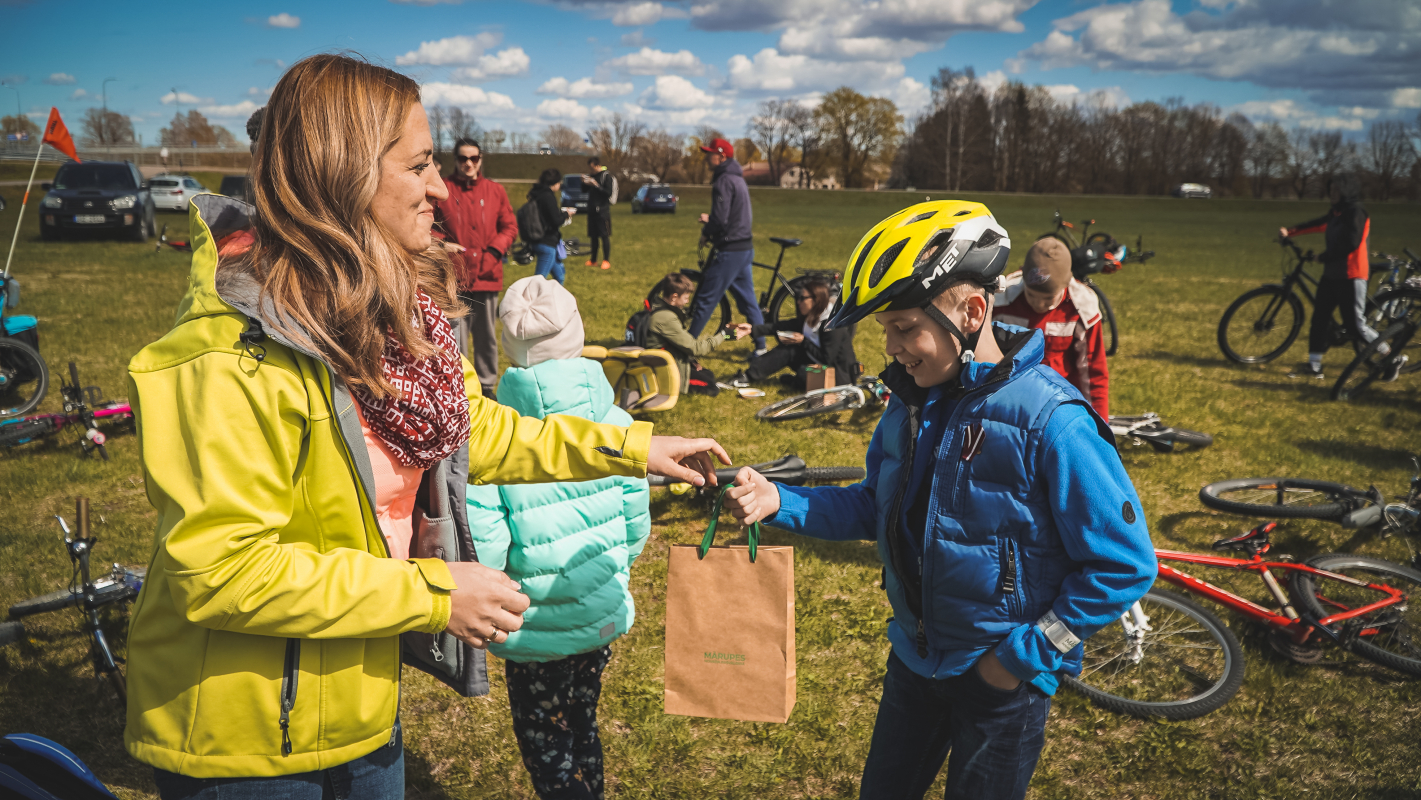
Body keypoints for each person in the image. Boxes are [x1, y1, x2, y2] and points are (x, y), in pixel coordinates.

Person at [122, 53, 729, 800]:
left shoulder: (384, 316)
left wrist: (633, 446)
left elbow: (468, 432)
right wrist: (434, 595)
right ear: (342, 174)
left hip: (360, 706)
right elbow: (221, 573)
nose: (442, 188)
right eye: (419, 165)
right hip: (241, 741)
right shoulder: (230, 351)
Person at [722, 201, 1157, 800]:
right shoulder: (909, 405)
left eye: (905, 328)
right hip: (915, 664)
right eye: (885, 332)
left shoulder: (1051, 422)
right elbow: (876, 506)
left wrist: (1016, 660)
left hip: (1004, 682)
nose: (893, 347)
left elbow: (1124, 565)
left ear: (973, 312)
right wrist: (779, 500)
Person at [466, 275, 650, 800]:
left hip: (533, 630)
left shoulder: (496, 434)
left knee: (544, 734)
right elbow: (636, 522)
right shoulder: (616, 423)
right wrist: (615, 566)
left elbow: (487, 544)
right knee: (582, 716)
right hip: (599, 611)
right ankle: (589, 786)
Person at [1280, 173, 1388, 379]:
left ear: (1347, 191)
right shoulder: (1336, 213)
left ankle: (1388, 352)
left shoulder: (1356, 212)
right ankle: (1314, 367)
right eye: (1331, 190)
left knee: (1355, 325)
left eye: (1337, 191)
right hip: (1331, 275)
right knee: (1319, 319)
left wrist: (1324, 257)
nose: (1332, 194)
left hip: (1352, 275)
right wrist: (1290, 231)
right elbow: (1318, 224)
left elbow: (1351, 243)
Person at [432, 137, 517, 398]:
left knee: (486, 335)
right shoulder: (442, 189)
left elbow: (509, 226)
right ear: (455, 160)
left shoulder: (495, 191)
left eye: (473, 158)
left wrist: (493, 252)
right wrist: (444, 245)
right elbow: (427, 225)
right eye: (462, 158)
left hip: (487, 275)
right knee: (454, 336)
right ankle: (460, 386)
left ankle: (487, 386)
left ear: (480, 160)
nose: (468, 163)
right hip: (453, 276)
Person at [993, 237, 1110, 418]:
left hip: (1059, 404)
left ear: (1066, 285)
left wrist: (1098, 424)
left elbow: (1093, 374)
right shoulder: (1001, 300)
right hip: (1008, 401)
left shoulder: (1081, 307)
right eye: (1031, 295)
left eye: (1048, 299)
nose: (1039, 304)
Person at [690, 138, 766, 355]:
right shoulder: (737, 178)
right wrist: (712, 218)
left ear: (721, 156)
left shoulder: (723, 180)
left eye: (709, 154)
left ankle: (684, 346)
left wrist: (707, 230)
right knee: (748, 302)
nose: (706, 158)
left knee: (706, 298)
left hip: (730, 249)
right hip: (744, 247)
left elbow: (722, 220)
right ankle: (761, 349)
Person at [727, 277, 856, 388]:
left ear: (816, 300)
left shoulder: (832, 326)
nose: (798, 302)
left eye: (802, 298)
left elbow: (826, 359)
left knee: (802, 373)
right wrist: (752, 329)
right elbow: (782, 325)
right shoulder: (811, 316)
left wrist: (803, 341)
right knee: (788, 348)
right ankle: (747, 377)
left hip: (838, 376)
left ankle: (796, 381)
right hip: (820, 365)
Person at [645, 272, 751, 395]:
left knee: (707, 374)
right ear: (674, 297)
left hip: (662, 362)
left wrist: (729, 335)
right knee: (711, 386)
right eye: (685, 298)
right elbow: (696, 348)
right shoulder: (666, 318)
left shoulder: (658, 309)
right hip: (663, 372)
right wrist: (723, 334)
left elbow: (679, 343)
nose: (687, 301)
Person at [527, 167, 574, 284]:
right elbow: (555, 220)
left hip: (537, 240)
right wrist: (566, 214)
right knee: (538, 281)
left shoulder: (536, 194)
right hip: (547, 243)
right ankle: (532, 301)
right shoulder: (548, 196)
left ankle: (557, 302)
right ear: (554, 183)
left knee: (560, 277)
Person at [583, 156, 613, 270]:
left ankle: (606, 260)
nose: (591, 171)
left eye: (592, 168)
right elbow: (584, 190)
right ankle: (593, 260)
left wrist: (596, 185)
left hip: (602, 211)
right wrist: (584, 182)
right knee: (593, 237)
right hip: (591, 210)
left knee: (604, 236)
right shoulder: (591, 176)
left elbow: (608, 193)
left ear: (597, 166)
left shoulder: (606, 176)